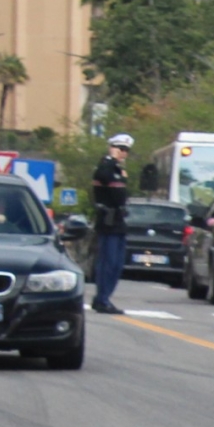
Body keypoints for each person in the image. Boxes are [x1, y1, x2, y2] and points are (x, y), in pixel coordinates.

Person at [89, 133, 132, 314]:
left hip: (118, 221)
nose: (124, 153)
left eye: (126, 150)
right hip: (107, 222)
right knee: (108, 262)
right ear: (113, 148)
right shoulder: (106, 167)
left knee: (116, 264)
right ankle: (102, 298)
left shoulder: (117, 170)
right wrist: (111, 158)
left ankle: (105, 297)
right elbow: (102, 175)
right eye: (121, 149)